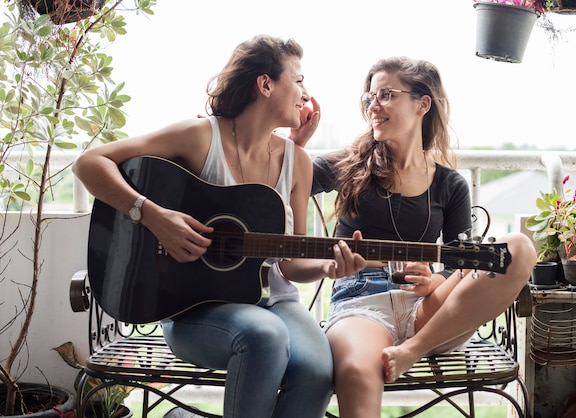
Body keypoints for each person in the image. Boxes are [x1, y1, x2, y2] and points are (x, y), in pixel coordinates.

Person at [72, 35, 366, 418]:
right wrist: (153, 216)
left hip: (275, 303)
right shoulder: (199, 138)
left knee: (317, 369)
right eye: (298, 81)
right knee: (264, 336)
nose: (306, 96)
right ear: (265, 85)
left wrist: (328, 266)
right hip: (193, 309)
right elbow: (89, 163)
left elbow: (289, 262)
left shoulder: (298, 162)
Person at [294, 56, 536, 418]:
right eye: (369, 98)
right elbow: (278, 185)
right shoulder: (348, 163)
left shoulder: (449, 184)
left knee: (518, 247)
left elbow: (459, 267)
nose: (373, 106)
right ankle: (405, 352)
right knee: (359, 371)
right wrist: (295, 145)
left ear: (423, 103)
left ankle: (413, 351)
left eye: (386, 95)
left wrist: (434, 279)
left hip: (431, 313)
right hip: (361, 301)